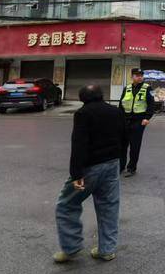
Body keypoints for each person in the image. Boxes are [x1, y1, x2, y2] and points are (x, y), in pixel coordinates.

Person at [54, 85, 126, 263]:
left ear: (82, 98)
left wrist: (76, 174)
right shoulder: (116, 111)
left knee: (66, 204)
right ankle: (107, 250)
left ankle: (70, 247)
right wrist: (121, 163)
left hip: (91, 167)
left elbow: (79, 144)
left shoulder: (83, 113)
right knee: (109, 207)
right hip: (112, 164)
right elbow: (124, 138)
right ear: (101, 95)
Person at [118, 68, 155, 177]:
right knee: (122, 145)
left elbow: (151, 104)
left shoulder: (148, 88)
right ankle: (121, 166)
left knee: (135, 146)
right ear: (132, 76)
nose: (140, 77)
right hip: (125, 120)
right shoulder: (127, 88)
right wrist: (119, 118)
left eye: (141, 75)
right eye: (137, 75)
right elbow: (121, 104)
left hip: (139, 121)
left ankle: (131, 168)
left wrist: (147, 118)